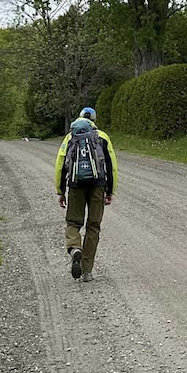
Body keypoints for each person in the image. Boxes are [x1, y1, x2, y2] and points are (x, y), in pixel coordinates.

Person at [55, 107, 119, 282]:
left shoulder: (70, 137)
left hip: (76, 185)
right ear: (94, 119)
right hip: (97, 185)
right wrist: (110, 190)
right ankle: (86, 270)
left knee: (73, 222)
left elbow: (61, 164)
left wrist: (61, 191)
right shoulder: (102, 137)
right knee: (93, 226)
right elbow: (110, 164)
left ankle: (75, 247)